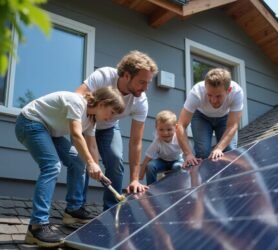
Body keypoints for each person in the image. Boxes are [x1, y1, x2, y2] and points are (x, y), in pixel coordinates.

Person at [14, 86, 125, 247]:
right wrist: (91, 163)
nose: (111, 118)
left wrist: (97, 169)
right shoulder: (77, 102)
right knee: (52, 166)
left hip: (49, 131)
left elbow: (91, 146)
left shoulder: (91, 119)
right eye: (112, 112)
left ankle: (73, 209)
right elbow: (75, 135)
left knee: (77, 161)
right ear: (102, 103)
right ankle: (37, 226)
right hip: (30, 122)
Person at [76, 50, 158, 210]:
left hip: (109, 127)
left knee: (115, 159)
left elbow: (135, 142)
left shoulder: (140, 101)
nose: (145, 88)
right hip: (85, 124)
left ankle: (112, 209)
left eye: (148, 83)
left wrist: (134, 179)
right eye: (142, 82)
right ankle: (76, 208)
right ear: (126, 75)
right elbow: (77, 98)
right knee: (84, 161)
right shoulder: (104, 76)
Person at [176, 68, 244, 167]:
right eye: (209, 95)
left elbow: (233, 125)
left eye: (218, 96)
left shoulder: (237, 92)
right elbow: (181, 125)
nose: (213, 100)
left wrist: (219, 148)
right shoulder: (196, 92)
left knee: (229, 150)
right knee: (203, 152)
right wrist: (188, 154)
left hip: (225, 118)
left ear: (228, 90)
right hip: (201, 117)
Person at [139, 110, 183, 185]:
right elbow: (147, 159)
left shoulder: (179, 139)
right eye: (161, 130)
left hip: (177, 160)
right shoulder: (157, 142)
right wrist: (140, 175)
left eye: (169, 129)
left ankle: (176, 186)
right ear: (156, 128)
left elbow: (187, 152)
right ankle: (151, 187)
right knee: (150, 166)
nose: (165, 133)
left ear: (176, 128)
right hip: (162, 161)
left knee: (177, 167)